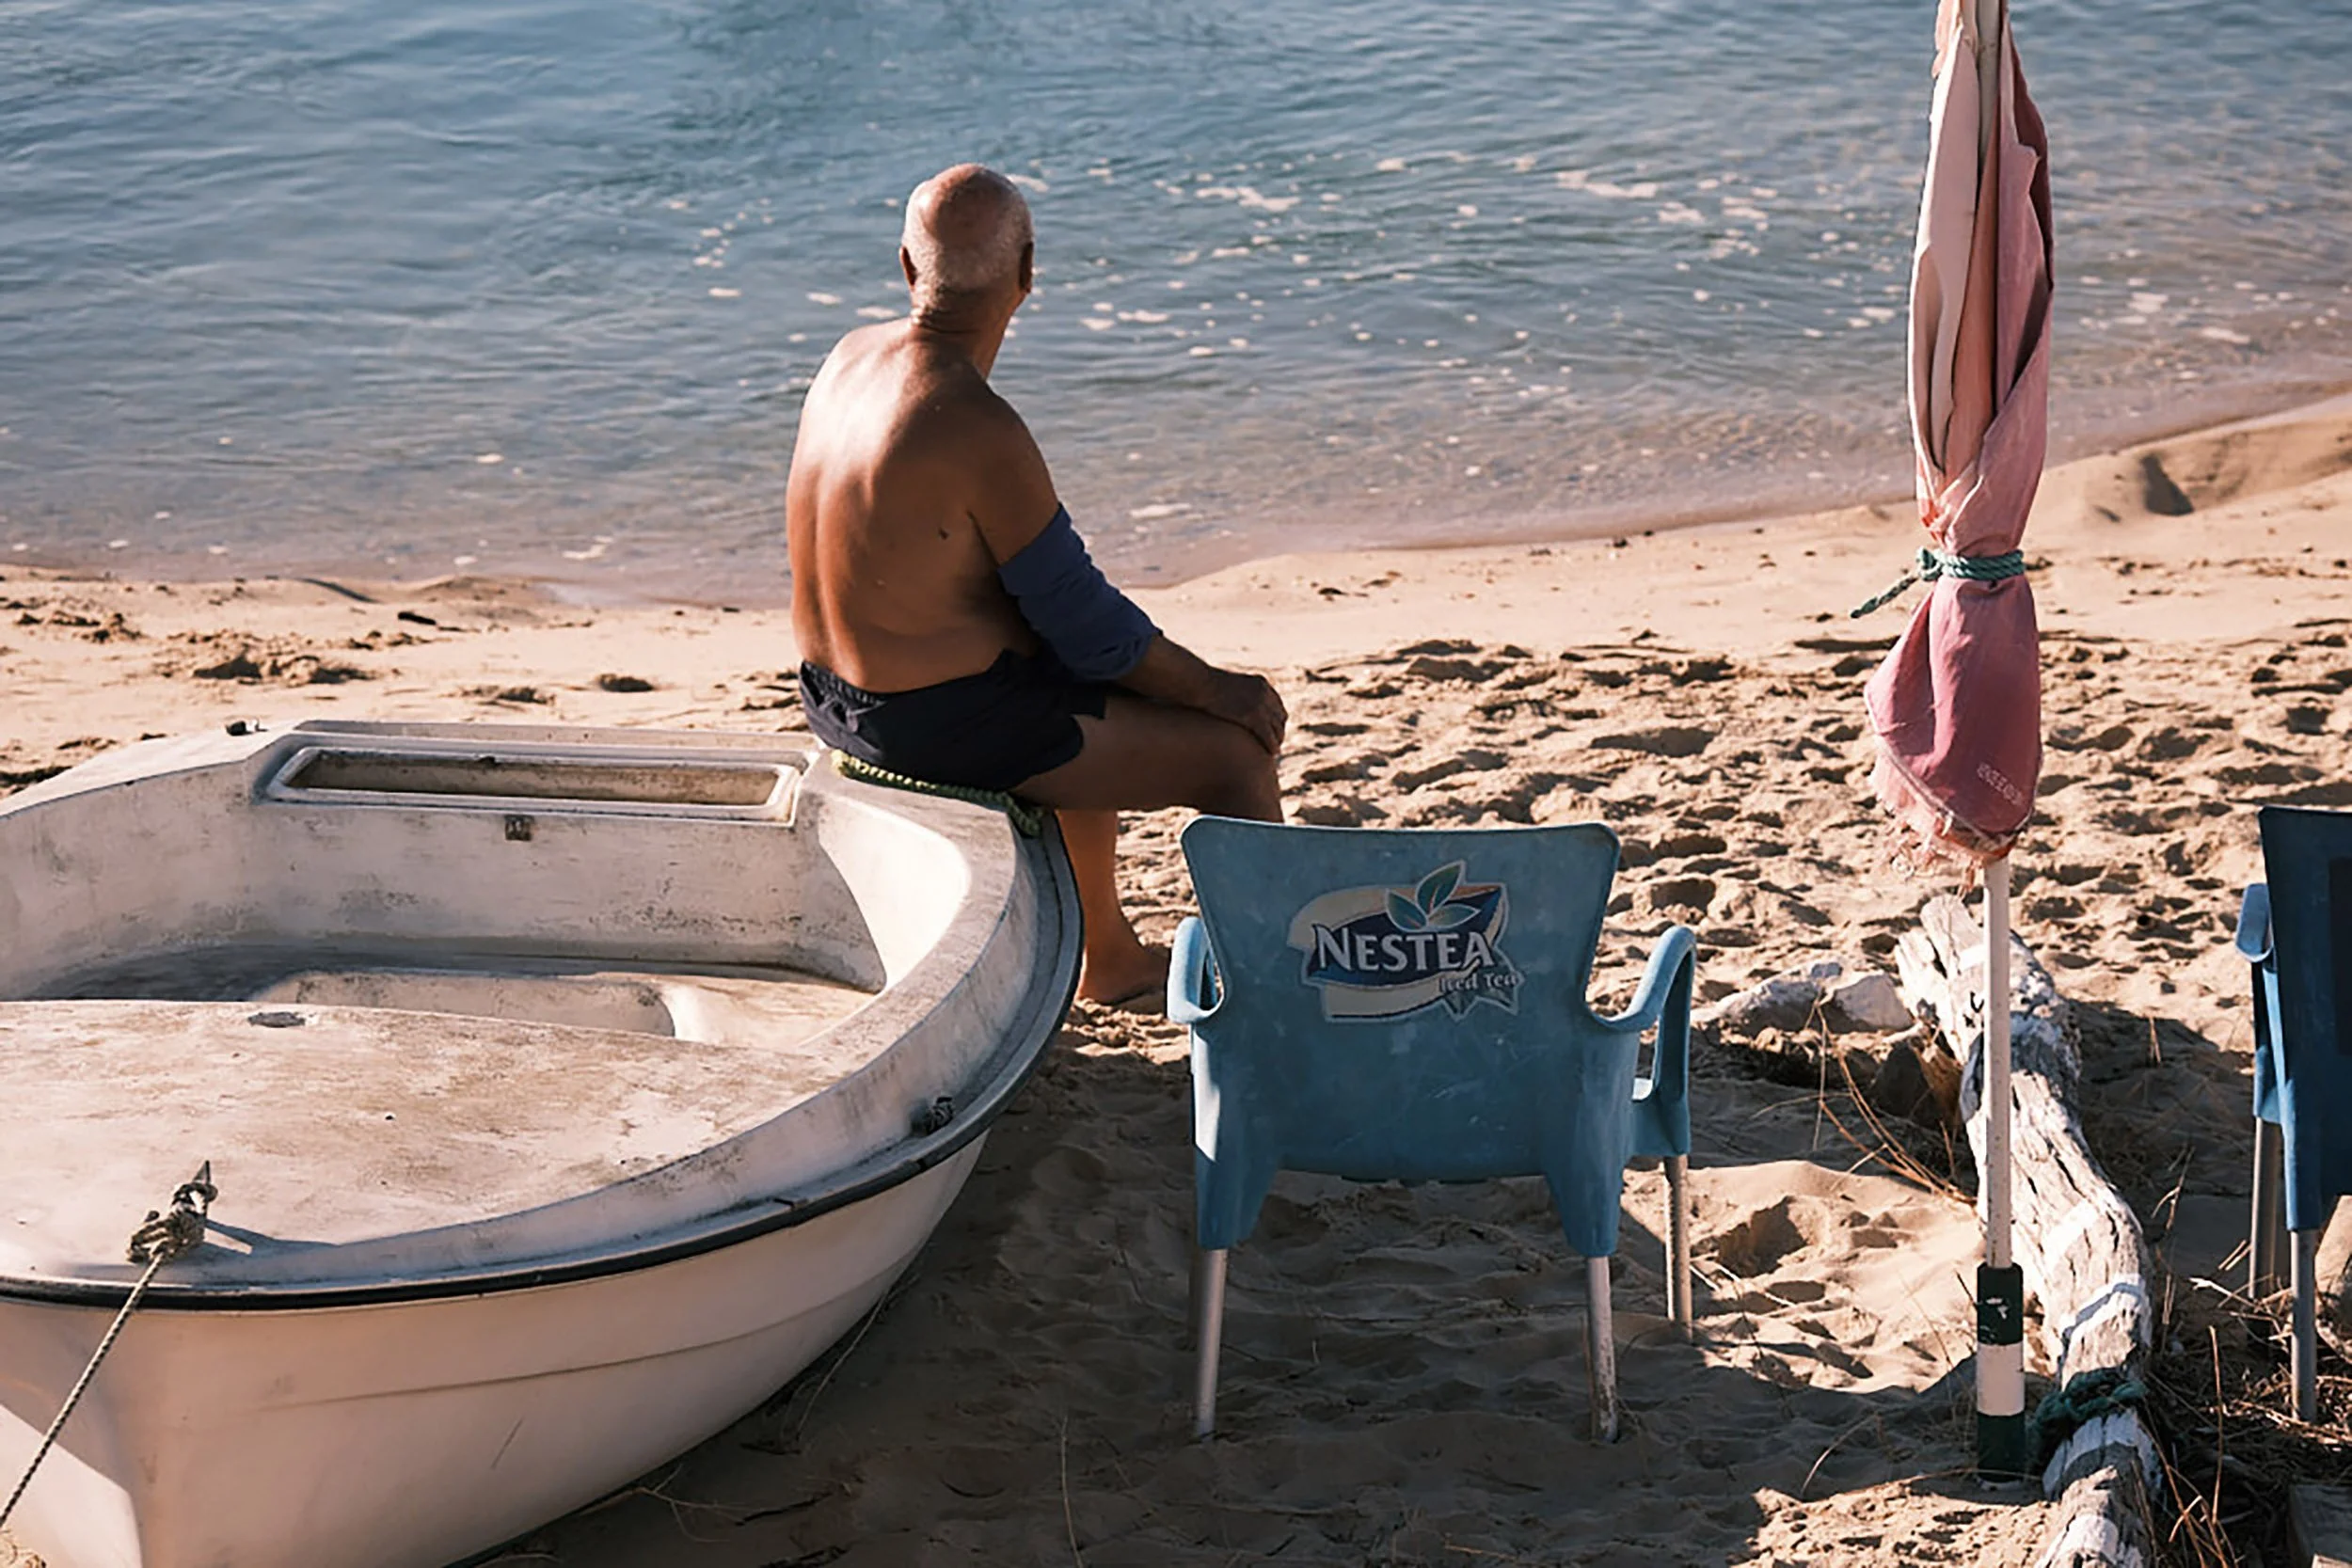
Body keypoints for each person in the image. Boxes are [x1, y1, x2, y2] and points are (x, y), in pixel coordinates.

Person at [786, 163, 1285, 1007]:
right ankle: (1283, 994)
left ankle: (1108, 955)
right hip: (928, 725)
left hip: (831, 693)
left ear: (907, 268)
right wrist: (1224, 692)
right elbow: (1093, 628)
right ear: (1027, 274)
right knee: (1232, 759)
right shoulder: (979, 427)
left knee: (1073, 680)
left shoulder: (848, 358)